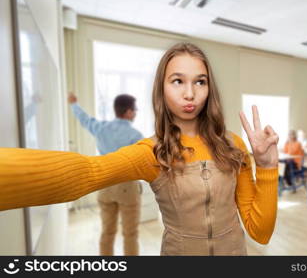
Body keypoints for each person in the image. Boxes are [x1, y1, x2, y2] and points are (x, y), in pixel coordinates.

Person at [0, 42, 279, 256]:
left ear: (209, 89)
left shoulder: (234, 146)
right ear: (162, 89)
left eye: (200, 81)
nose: (190, 93)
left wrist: (266, 166)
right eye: (177, 81)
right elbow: (88, 171)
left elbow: (261, 232)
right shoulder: (152, 152)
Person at [68, 92, 143, 256]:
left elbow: (85, 119)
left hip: (105, 184)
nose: (136, 113)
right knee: (130, 234)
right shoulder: (136, 136)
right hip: (127, 187)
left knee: (107, 232)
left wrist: (74, 104)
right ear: (129, 112)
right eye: (135, 109)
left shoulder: (101, 127)